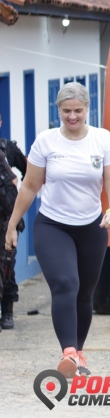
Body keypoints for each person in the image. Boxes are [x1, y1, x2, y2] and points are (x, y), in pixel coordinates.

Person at [4, 82, 110, 377]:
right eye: (66, 111)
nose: (72, 116)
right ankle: (68, 352)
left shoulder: (102, 139)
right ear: (58, 110)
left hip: (92, 226)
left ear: (87, 109)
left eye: (77, 110)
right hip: (53, 225)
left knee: (85, 293)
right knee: (66, 284)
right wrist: (12, 225)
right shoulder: (46, 141)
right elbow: (30, 186)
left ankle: (77, 356)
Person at [0, 112, 26, 331]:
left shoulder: (8, 149)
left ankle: (7, 311)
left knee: (7, 266)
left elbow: (31, 173)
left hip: (6, 219)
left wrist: (20, 203)